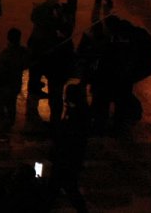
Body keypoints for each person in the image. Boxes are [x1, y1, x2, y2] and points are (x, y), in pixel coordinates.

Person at [49, 84, 92, 213]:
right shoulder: (79, 112)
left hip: (67, 158)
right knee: (64, 187)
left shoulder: (77, 115)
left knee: (64, 187)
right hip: (70, 158)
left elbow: (70, 137)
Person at [0, 28, 28, 137]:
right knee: (11, 105)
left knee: (0, 107)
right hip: (15, 84)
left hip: (3, 84)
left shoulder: (5, 54)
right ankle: (8, 125)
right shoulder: (22, 53)